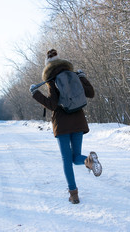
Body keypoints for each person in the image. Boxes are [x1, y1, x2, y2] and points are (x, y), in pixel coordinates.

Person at [29, 49, 102, 204]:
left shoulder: (51, 80)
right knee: (77, 157)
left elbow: (53, 105)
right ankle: (89, 161)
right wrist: (82, 77)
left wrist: (35, 93)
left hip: (62, 124)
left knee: (67, 160)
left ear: (47, 65)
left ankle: (74, 194)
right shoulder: (73, 75)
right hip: (78, 121)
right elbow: (90, 93)